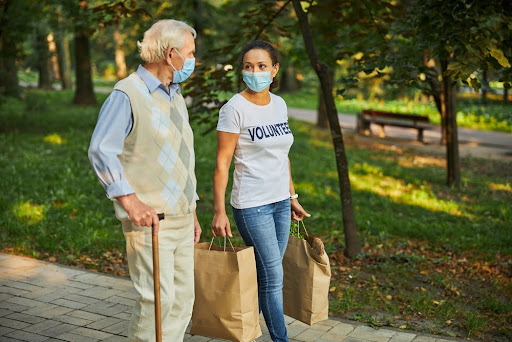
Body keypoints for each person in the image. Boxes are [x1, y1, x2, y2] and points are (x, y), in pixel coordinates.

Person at [88, 19, 201, 341]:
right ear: (170, 54)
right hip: (150, 222)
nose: (193, 60)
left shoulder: (174, 95)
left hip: (180, 219)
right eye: (190, 53)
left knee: (181, 301)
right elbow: (100, 150)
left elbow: (181, 159)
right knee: (157, 301)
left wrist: (191, 210)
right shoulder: (127, 94)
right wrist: (130, 200)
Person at [211, 40, 310, 342]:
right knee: (273, 275)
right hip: (252, 205)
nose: (255, 72)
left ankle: (245, 324)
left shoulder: (279, 105)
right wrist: (219, 211)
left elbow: (283, 157)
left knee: (269, 275)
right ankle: (280, 339)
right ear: (242, 70)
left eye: (262, 66)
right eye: (249, 67)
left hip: (280, 202)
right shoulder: (234, 109)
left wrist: (291, 197)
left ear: (274, 69)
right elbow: (222, 163)